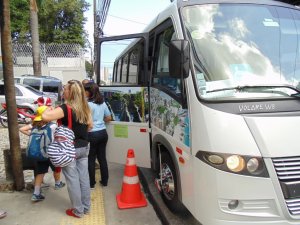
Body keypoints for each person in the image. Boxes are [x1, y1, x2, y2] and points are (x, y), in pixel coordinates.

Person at [42, 79, 93, 218]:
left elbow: (45, 117)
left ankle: (78, 211)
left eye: (64, 88)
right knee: (84, 178)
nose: (62, 91)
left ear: (70, 92)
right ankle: (86, 207)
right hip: (84, 147)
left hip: (69, 149)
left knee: (73, 180)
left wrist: (48, 108)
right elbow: (90, 126)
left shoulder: (65, 108)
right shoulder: (85, 107)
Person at [19, 106, 65, 202]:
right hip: (51, 152)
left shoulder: (34, 125)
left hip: (40, 154)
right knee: (56, 168)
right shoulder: (52, 126)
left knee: (40, 173)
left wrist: (32, 135)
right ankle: (57, 183)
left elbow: (22, 129)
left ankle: (36, 194)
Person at [84, 83, 112, 189]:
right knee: (102, 158)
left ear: (90, 92)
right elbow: (109, 118)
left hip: (92, 134)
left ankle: (91, 183)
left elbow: (84, 121)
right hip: (103, 133)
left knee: (91, 159)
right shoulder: (102, 103)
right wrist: (100, 121)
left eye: (85, 90)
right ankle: (104, 182)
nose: (84, 92)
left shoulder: (87, 104)